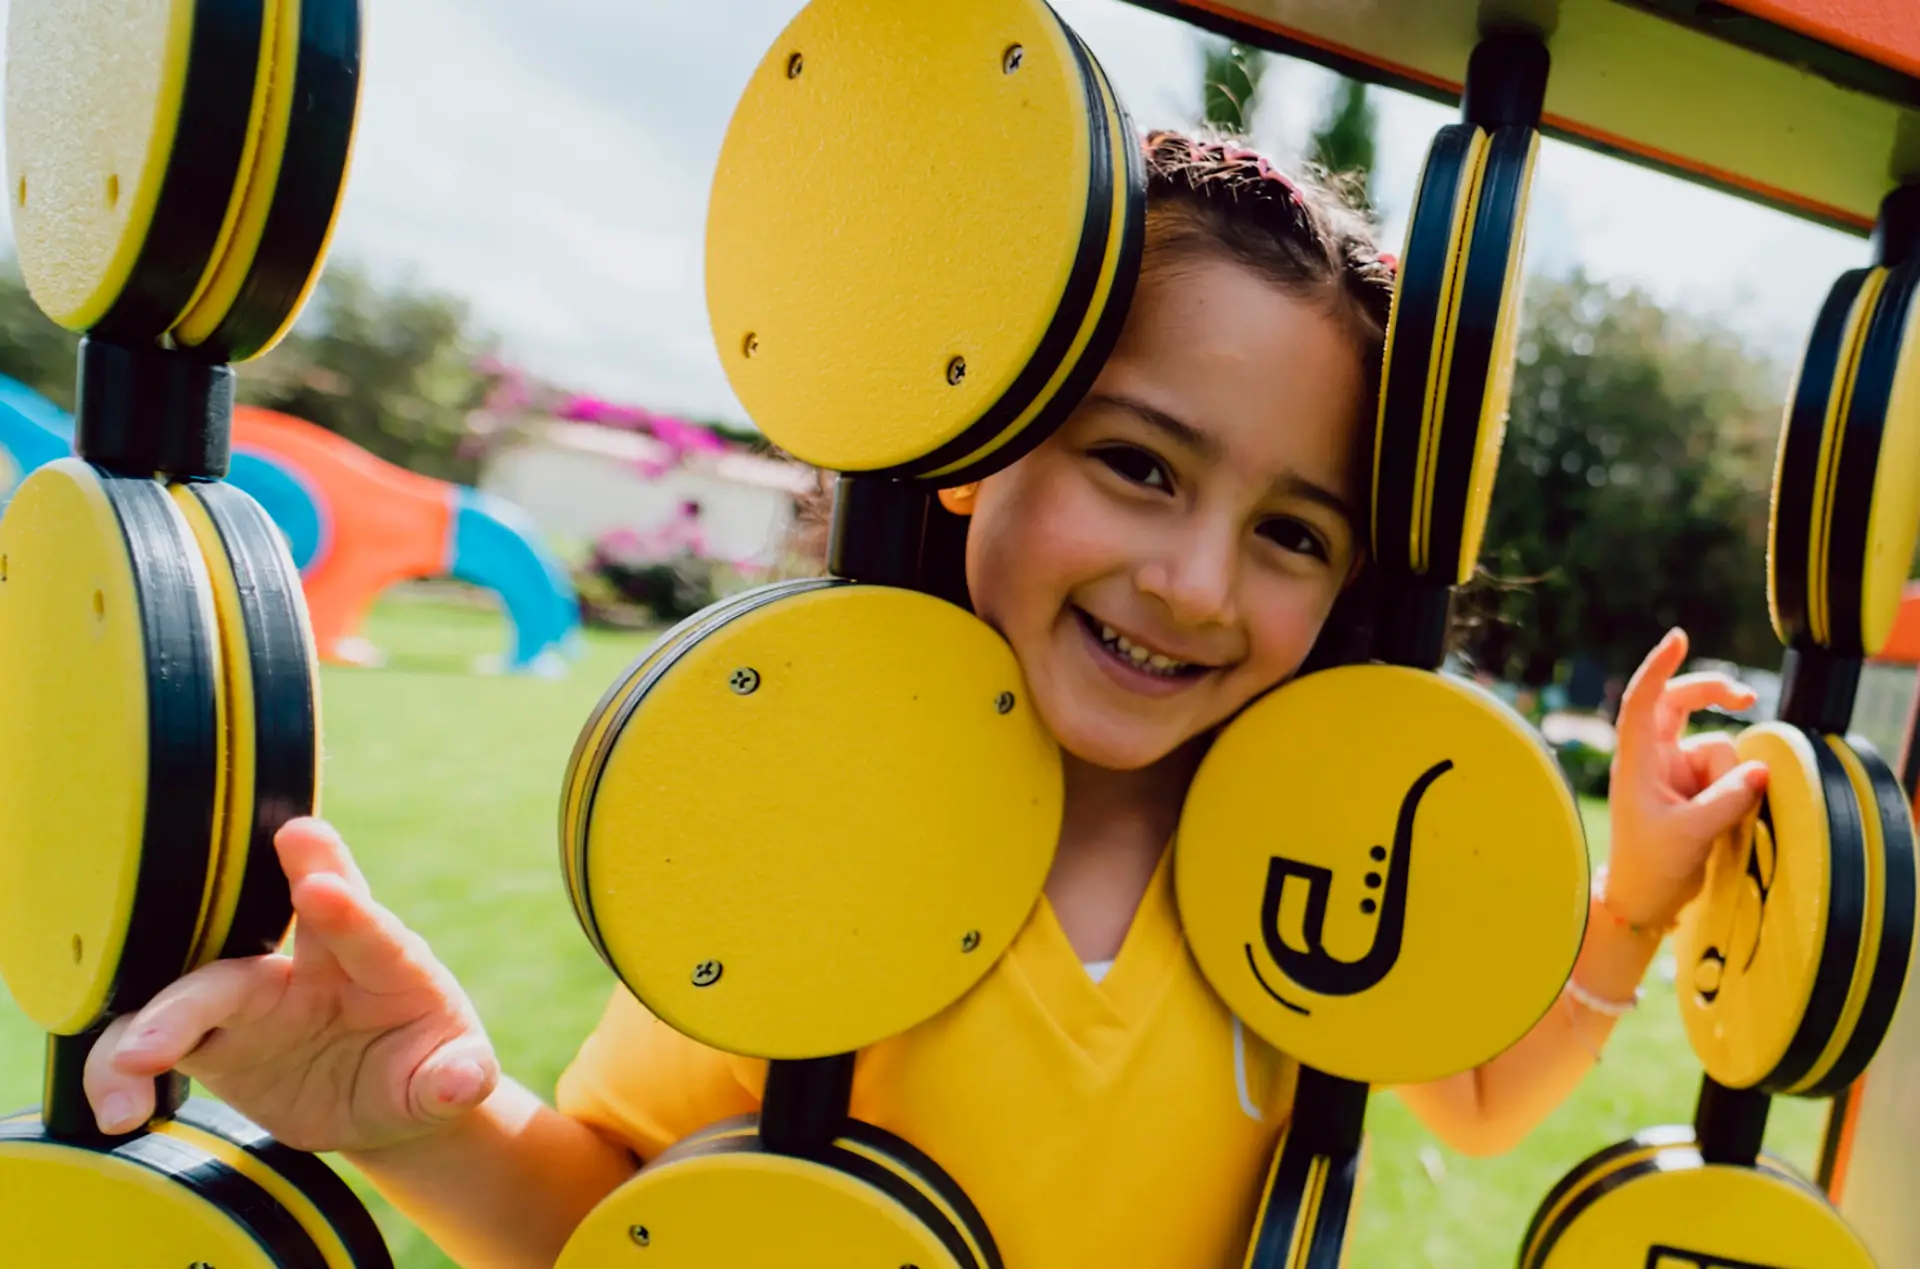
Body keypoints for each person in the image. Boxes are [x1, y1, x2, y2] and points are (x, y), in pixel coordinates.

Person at [77, 132, 1768, 1268]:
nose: (1194, 579)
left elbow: (1472, 1102)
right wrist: (418, 1118)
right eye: (1136, 464)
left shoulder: (1306, 861)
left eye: (1293, 532)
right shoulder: (834, 830)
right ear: (971, 453)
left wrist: (1628, 909)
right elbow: (634, 1214)